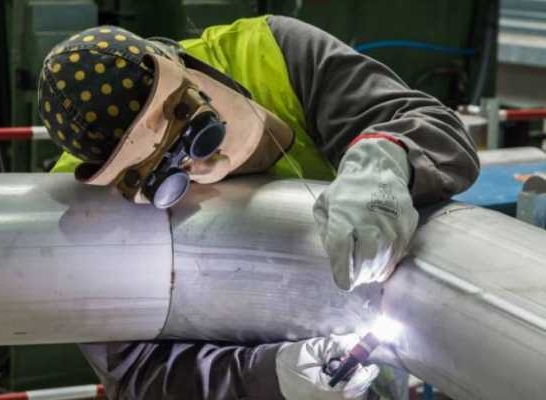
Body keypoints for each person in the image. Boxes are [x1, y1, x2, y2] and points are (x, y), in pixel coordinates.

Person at [37, 15, 479, 400]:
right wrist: (270, 376)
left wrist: (388, 157)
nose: (204, 167)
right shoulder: (87, 210)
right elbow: (136, 373)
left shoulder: (273, 51)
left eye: (202, 133)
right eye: (169, 177)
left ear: (189, 66)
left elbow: (436, 128)